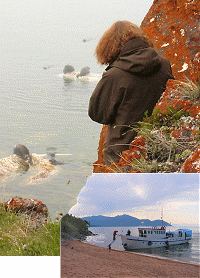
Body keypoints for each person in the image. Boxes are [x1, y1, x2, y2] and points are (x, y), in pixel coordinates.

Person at [88, 20, 174, 165]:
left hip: (120, 155)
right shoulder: (164, 65)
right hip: (157, 147)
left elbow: (97, 114)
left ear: (109, 46)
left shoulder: (114, 75)